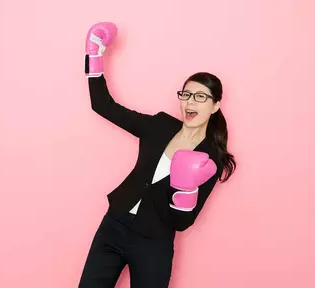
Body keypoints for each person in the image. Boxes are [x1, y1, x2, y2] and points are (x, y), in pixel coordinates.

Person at [78, 22, 237, 288]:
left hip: (154, 243)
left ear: (215, 105)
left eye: (200, 97)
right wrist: (94, 55)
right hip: (114, 226)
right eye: (186, 94)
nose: (189, 102)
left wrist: (184, 190)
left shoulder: (211, 158)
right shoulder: (160, 125)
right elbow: (103, 106)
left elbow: (183, 222)